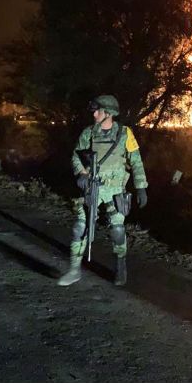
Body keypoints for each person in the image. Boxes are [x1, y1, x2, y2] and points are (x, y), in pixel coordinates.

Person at [57, 95, 149, 287]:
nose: (94, 114)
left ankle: (120, 267)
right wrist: (82, 173)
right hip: (92, 187)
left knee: (117, 230)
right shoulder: (89, 133)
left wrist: (141, 187)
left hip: (115, 190)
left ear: (108, 113)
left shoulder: (125, 133)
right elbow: (76, 155)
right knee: (80, 227)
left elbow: (136, 161)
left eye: (98, 111)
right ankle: (74, 270)